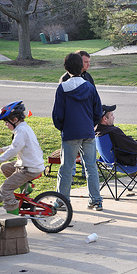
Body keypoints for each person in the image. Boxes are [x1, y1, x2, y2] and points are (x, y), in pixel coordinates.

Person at [52, 52, 104, 211]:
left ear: (66, 68)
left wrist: (63, 127)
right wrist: (91, 124)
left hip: (70, 133)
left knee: (66, 168)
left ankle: (62, 201)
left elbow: (57, 114)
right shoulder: (89, 87)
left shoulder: (62, 88)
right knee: (91, 167)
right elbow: (98, 111)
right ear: (81, 67)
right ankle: (96, 200)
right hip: (88, 132)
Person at [0, 101, 45, 215]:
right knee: (5, 167)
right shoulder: (24, 128)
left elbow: (14, 150)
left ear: (14, 120)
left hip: (29, 169)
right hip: (30, 164)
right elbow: (17, 145)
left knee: (4, 189)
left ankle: (13, 217)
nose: (5, 125)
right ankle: (26, 188)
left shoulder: (21, 130)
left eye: (6, 122)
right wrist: (2, 149)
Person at [59, 50, 94, 178]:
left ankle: (86, 175)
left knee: (90, 165)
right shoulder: (65, 80)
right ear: (78, 62)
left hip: (87, 126)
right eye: (85, 62)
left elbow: (94, 101)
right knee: (68, 163)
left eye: (89, 62)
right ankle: (71, 176)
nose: (88, 65)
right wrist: (63, 126)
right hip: (71, 127)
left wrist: (92, 122)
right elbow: (60, 109)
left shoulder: (88, 77)